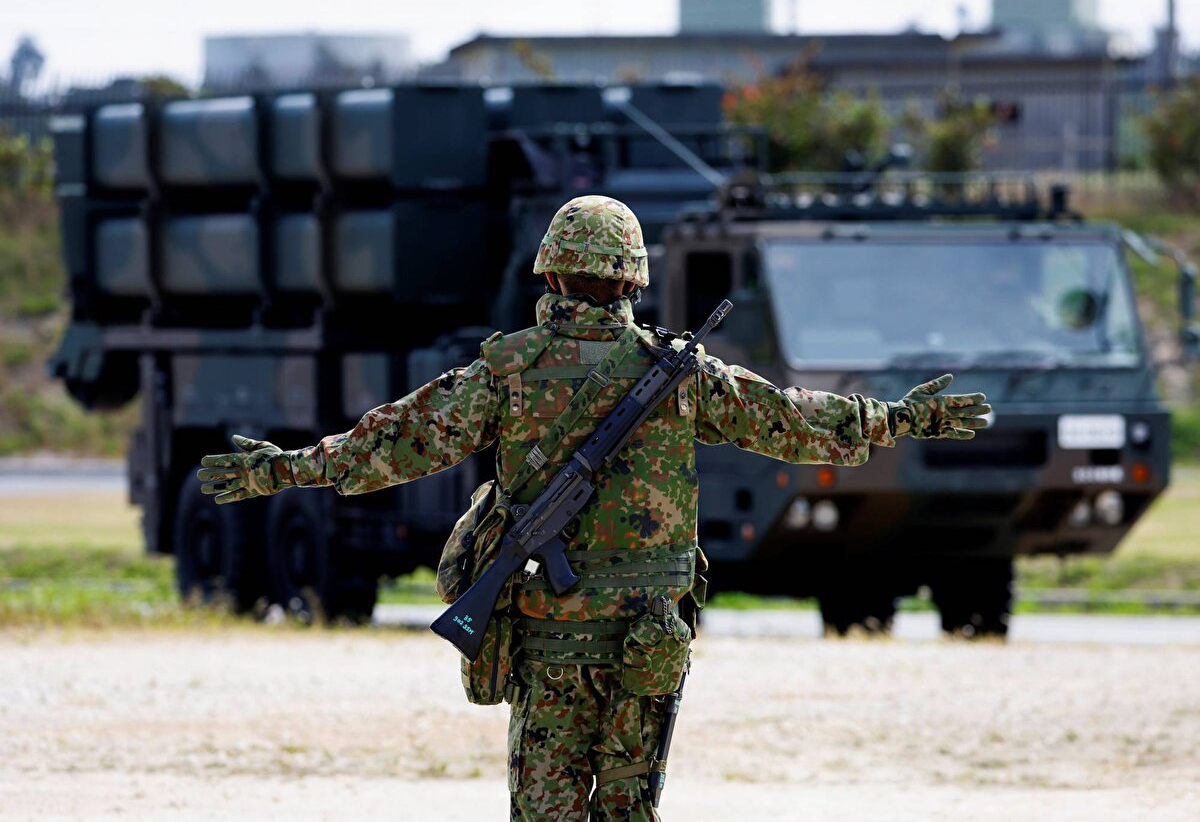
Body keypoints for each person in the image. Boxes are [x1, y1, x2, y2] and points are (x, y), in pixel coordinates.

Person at [197, 195, 990, 821]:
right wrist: (901, 418)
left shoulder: (508, 370)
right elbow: (792, 420)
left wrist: (284, 469)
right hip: (647, 639)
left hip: (548, 641)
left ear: (549, 275)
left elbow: (395, 441)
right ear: (635, 280)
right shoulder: (678, 377)